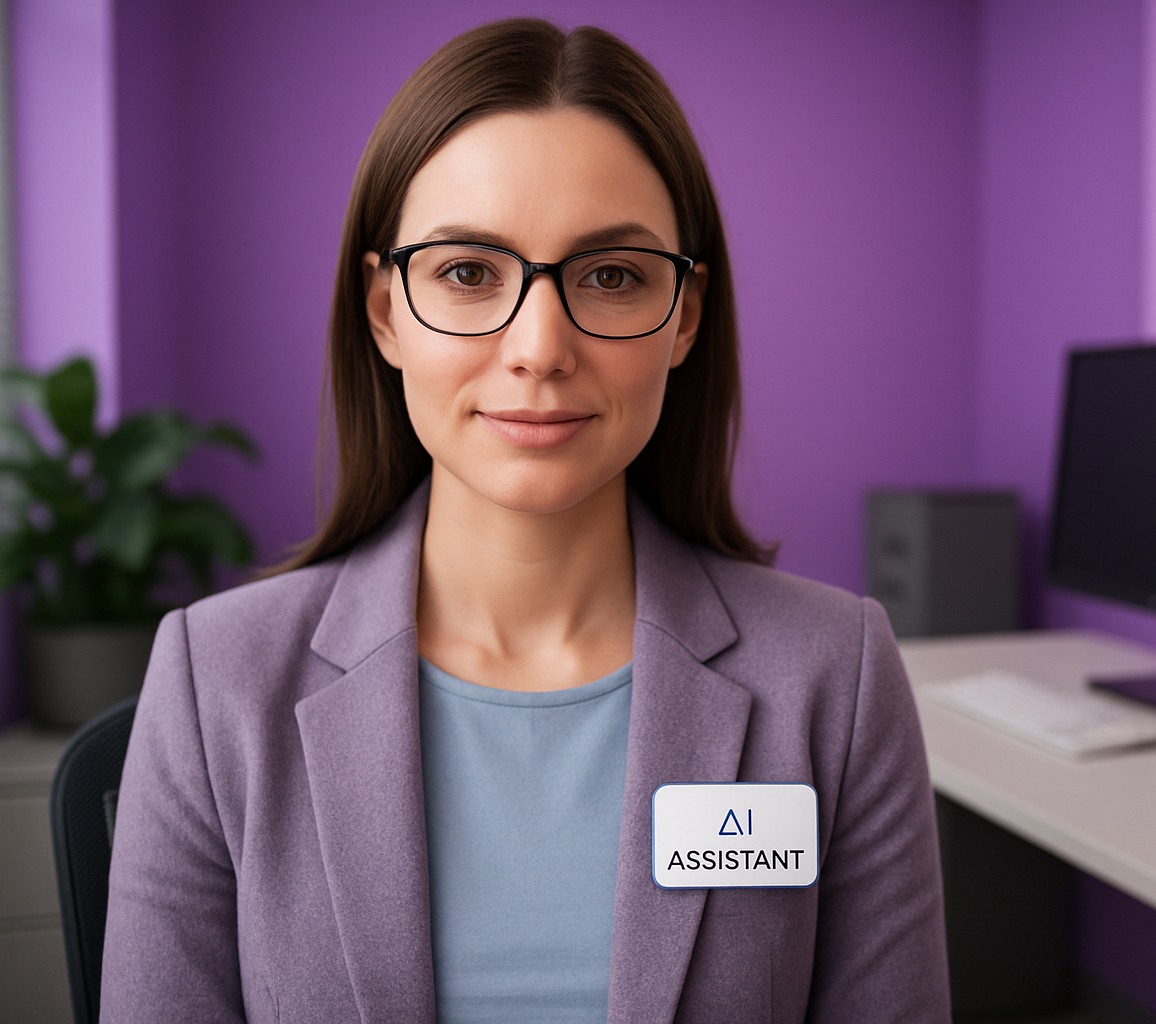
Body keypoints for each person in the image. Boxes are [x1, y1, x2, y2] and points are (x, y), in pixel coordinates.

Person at [101, 17, 948, 1024]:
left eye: (612, 275)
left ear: (683, 317)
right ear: (384, 312)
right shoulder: (215, 682)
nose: (539, 347)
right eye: (468, 273)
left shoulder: (834, 678)